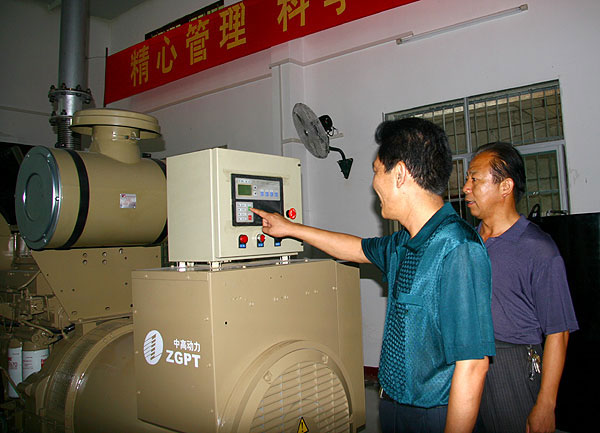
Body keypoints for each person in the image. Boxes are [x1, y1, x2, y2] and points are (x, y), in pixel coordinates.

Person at [252, 118, 495, 433]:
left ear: (400, 174)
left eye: (376, 170)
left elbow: (473, 365)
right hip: (394, 407)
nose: (373, 183)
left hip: (435, 415)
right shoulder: (404, 242)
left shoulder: (457, 247)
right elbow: (355, 249)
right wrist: (290, 229)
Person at [462, 142, 579, 433]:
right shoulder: (467, 243)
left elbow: (559, 332)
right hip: (467, 363)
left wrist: (546, 404)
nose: (465, 188)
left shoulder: (538, 249)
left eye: (474, 179)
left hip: (512, 365)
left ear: (505, 186)